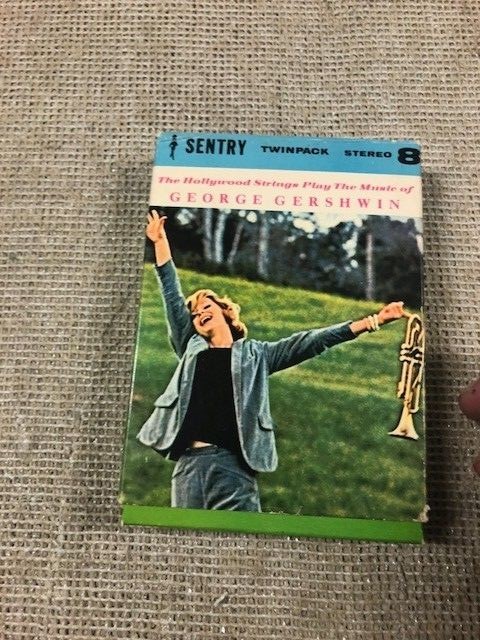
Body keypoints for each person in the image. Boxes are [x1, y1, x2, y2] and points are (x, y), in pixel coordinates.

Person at [137, 210, 407, 512]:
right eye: (196, 313)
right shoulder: (191, 346)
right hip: (188, 468)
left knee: (240, 534)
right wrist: (160, 243)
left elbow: (310, 341)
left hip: (233, 468)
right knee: (187, 536)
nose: (200, 313)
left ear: (225, 312)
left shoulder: (257, 355)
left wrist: (373, 321)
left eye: (206, 306)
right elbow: (172, 295)